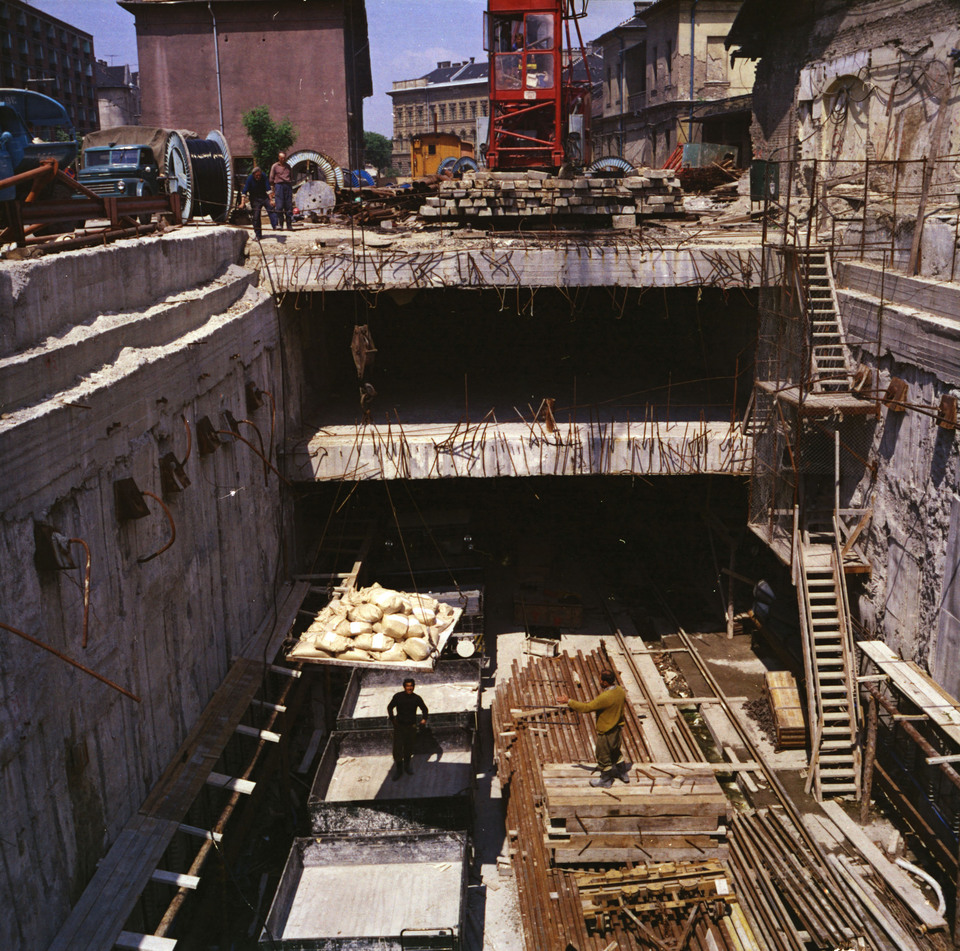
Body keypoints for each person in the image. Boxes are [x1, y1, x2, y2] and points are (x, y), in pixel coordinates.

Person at [557, 669, 630, 788]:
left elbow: (587, 707)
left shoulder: (606, 697)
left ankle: (606, 781)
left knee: (603, 756)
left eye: (601, 679)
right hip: (617, 730)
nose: (599, 681)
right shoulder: (620, 691)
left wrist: (569, 701)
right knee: (616, 752)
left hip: (606, 732)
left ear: (605, 683)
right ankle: (623, 774)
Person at [387, 677, 428, 780]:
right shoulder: (398, 697)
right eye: (408, 686)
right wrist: (392, 719)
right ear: (404, 687)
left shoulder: (417, 698)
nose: (409, 688)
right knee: (397, 749)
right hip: (400, 727)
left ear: (414, 687)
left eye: (411, 686)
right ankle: (399, 769)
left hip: (411, 727)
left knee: (408, 748)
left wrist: (424, 719)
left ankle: (407, 766)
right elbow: (390, 707)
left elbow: (425, 709)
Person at [240, 166, 276, 239]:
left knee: (271, 208)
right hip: (255, 199)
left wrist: (271, 200)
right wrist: (242, 203)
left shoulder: (263, 176)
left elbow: (268, 189)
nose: (258, 177)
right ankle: (258, 235)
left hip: (264, 197)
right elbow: (244, 192)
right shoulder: (250, 179)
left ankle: (275, 225)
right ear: (253, 175)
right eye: (257, 176)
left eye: (259, 175)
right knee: (256, 217)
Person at [269, 150, 294, 231]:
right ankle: (281, 225)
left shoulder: (288, 166)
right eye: (281, 158)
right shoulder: (275, 166)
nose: (283, 159)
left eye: (284, 158)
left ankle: (289, 225)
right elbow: (271, 179)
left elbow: (291, 176)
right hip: (279, 186)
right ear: (279, 158)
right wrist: (273, 189)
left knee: (289, 206)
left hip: (287, 186)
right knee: (279, 206)